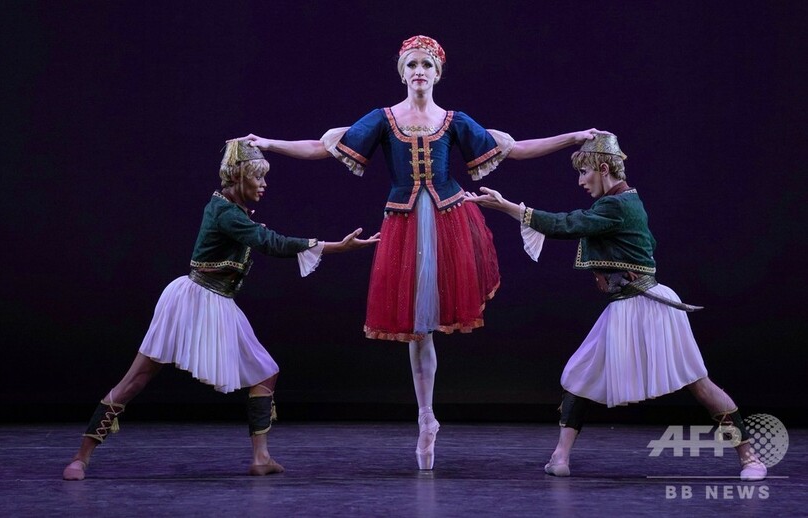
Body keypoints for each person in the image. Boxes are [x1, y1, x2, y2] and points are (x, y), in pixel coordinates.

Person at [235, 35, 599, 470]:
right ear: (402, 73)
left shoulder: (453, 120)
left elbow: (515, 149)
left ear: (438, 73)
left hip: (449, 222)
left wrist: (573, 137)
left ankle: (427, 418)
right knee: (417, 326)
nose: (419, 71)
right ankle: (426, 416)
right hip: (405, 226)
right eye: (412, 65)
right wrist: (269, 143)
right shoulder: (384, 119)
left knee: (429, 320)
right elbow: (321, 147)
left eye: (427, 64)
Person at [61, 140, 379, 481]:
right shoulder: (226, 213)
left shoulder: (230, 209)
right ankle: (81, 457)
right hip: (192, 300)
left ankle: (261, 457)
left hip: (219, 301)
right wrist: (336, 247)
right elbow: (271, 243)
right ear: (239, 177)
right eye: (257, 177)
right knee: (136, 378)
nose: (264, 184)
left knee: (265, 372)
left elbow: (256, 238)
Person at [464, 132, 767, 481]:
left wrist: (507, 207)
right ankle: (559, 457)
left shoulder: (616, 205)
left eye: (584, 173)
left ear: (603, 168)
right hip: (626, 305)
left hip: (649, 306)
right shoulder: (625, 200)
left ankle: (750, 459)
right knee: (580, 375)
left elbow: (567, 224)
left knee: (698, 383)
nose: (581, 181)